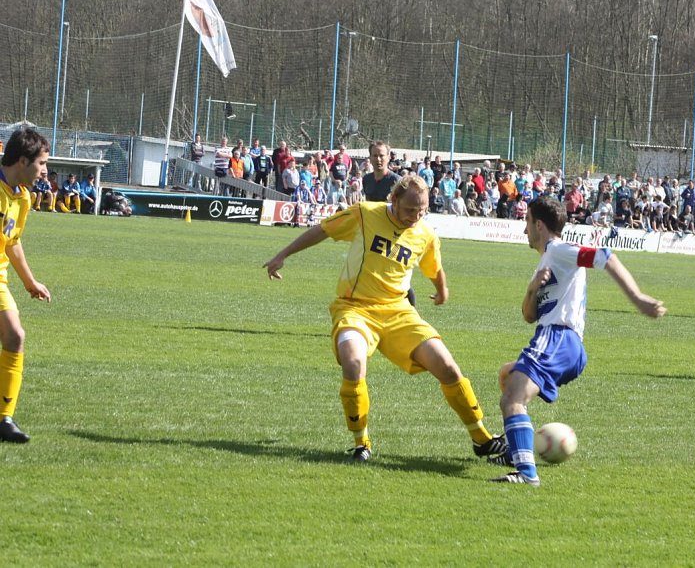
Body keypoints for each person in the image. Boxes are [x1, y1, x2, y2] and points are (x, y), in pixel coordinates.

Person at [263, 175, 508, 462]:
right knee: (353, 362)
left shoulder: (425, 234)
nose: (415, 217)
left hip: (398, 312)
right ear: (393, 200)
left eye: (422, 210)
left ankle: (482, 439)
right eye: (409, 210)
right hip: (355, 308)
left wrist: (442, 290)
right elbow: (323, 230)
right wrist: (284, 254)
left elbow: (433, 266)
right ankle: (361, 443)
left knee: (448, 368)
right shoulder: (366, 213)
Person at [488, 196, 665, 485]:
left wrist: (638, 298)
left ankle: (526, 473)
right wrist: (532, 289)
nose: (524, 231)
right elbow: (527, 316)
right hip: (557, 340)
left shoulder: (558, 250)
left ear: (539, 225)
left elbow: (605, 255)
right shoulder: (546, 262)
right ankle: (515, 450)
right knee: (508, 375)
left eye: (527, 222)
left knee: (512, 399)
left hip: (559, 337)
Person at [0, 129, 53, 443]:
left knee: (15, 336)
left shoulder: (23, 197)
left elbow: (12, 243)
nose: (45, 170)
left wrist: (30, 282)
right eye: (42, 162)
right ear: (23, 160)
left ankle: (4, 418)